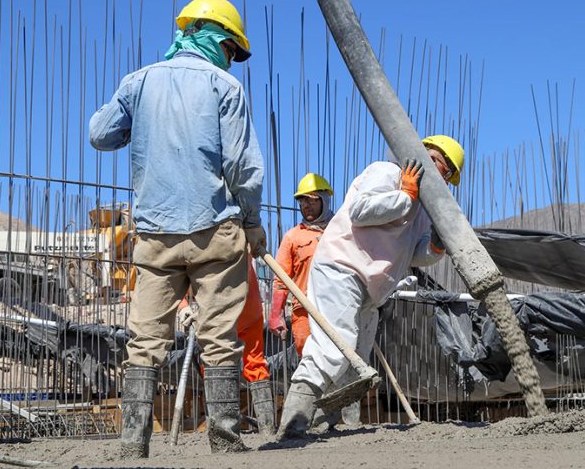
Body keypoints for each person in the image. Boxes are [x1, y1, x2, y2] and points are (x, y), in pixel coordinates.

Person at [89, 0, 266, 456]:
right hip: (215, 233)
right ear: (217, 38)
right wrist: (252, 222)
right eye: (231, 49)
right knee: (219, 338)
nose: (231, 59)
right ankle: (225, 442)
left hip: (156, 235)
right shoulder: (225, 87)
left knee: (144, 341)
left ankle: (132, 447)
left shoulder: (139, 82)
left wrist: (140, 118)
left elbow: (100, 134)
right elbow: (243, 168)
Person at [277, 135, 465, 438]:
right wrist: (404, 197)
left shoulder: (421, 209)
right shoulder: (386, 173)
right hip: (343, 268)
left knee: (355, 361)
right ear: (426, 158)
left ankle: (326, 424)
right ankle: (292, 426)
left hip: (372, 289)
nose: (441, 178)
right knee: (332, 348)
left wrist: (435, 246)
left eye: (447, 175)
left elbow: (413, 253)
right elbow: (360, 210)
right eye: (443, 169)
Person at [178, 258, 274, 435]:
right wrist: (183, 305)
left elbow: (176, 274)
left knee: (214, 365)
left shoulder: (202, 246)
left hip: (222, 316)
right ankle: (267, 428)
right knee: (255, 365)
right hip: (247, 309)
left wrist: (183, 305)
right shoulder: (243, 242)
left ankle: (219, 431)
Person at [268, 173, 334, 356]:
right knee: (309, 361)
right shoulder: (293, 237)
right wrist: (276, 314)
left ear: (324, 200)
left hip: (336, 308)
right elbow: (281, 280)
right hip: (304, 311)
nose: (306, 205)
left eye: (312, 200)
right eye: (302, 201)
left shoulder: (341, 231)